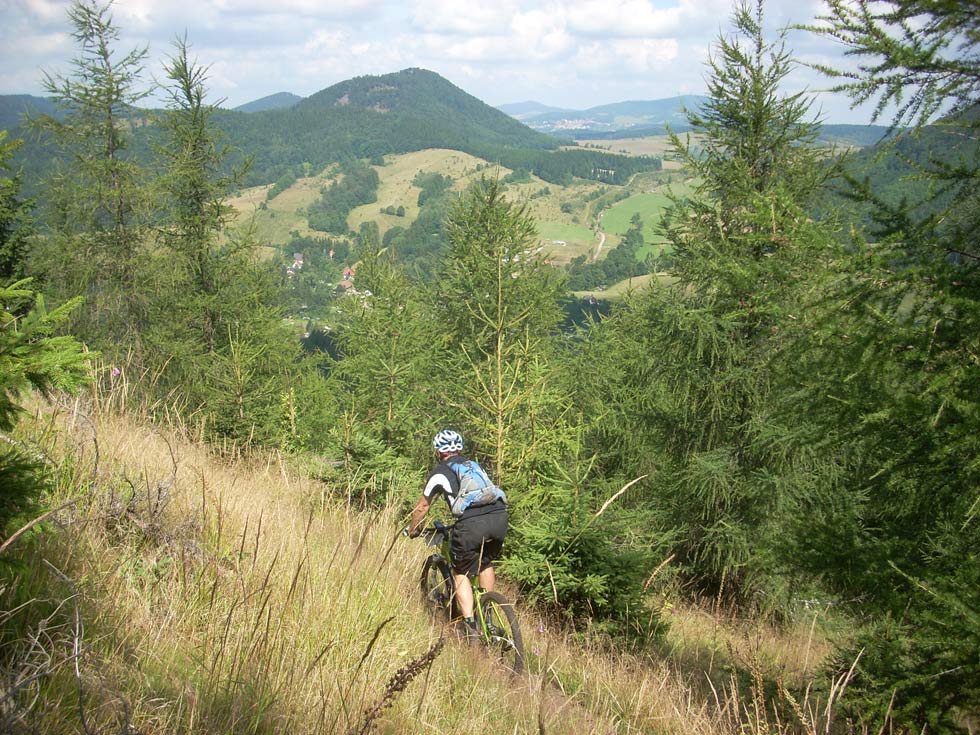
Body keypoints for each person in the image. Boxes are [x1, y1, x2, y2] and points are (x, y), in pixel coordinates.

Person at [407, 429, 508, 638]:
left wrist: (413, 529)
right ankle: (487, 612)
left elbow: (422, 507)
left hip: (472, 523)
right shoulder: (474, 465)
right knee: (484, 563)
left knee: (460, 571)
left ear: (439, 451)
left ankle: (470, 628)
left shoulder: (439, 472)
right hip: (499, 517)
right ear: (459, 448)